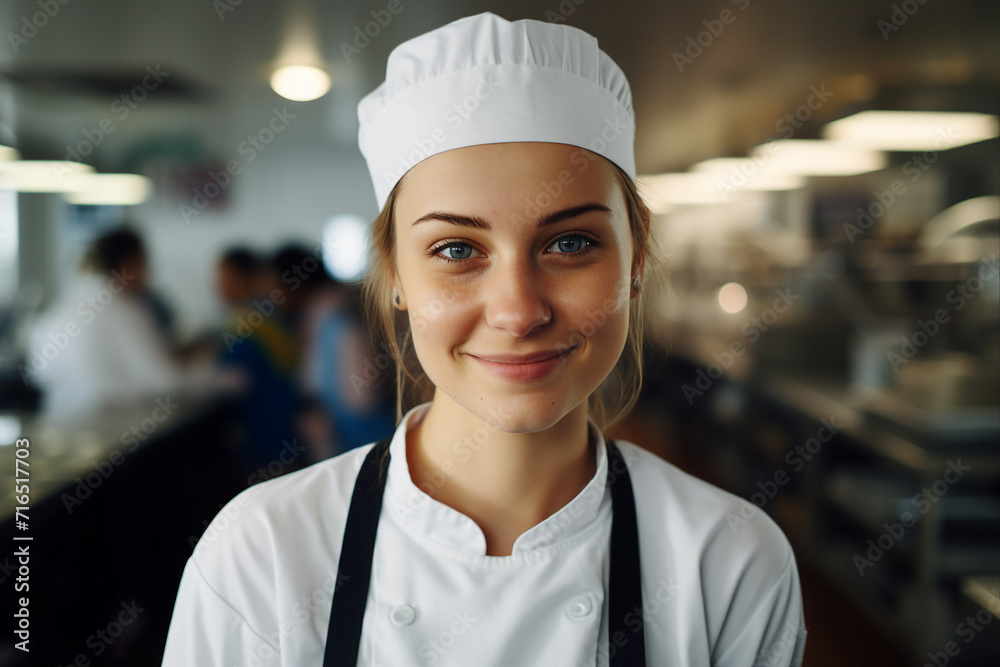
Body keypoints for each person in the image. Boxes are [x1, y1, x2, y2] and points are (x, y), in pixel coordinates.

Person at [162, 12, 807, 666]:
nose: (518, 310)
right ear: (395, 276)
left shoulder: (729, 560)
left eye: (571, 242)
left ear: (635, 261)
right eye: (456, 249)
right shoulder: (261, 555)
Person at [25, 227, 220, 420]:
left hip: (58, 423)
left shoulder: (67, 303)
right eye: (146, 264)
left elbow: (39, 370)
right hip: (112, 432)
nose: (148, 274)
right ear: (130, 263)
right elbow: (166, 382)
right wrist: (210, 369)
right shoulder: (124, 307)